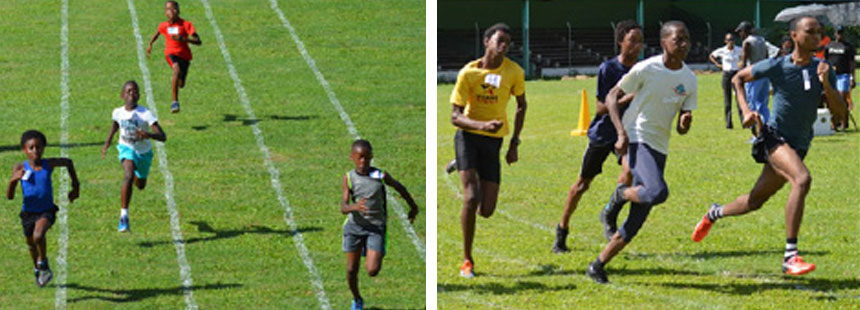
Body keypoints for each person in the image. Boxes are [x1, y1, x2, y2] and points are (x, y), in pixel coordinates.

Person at [691, 16, 846, 276]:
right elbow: (737, 79)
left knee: (755, 201)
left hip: (800, 145)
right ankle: (790, 256)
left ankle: (714, 213)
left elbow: (840, 115)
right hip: (774, 138)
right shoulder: (778, 66)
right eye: (810, 31)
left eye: (819, 32)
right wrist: (746, 110)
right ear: (794, 36)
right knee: (802, 179)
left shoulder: (823, 68)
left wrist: (827, 86)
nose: (816, 36)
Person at [586, 21, 696, 284]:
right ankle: (621, 194)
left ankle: (597, 265)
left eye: (687, 39)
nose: (684, 44)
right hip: (637, 137)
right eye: (678, 39)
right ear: (664, 43)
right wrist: (621, 133)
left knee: (639, 215)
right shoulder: (647, 68)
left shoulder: (690, 78)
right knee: (657, 192)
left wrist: (684, 122)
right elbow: (611, 97)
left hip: (660, 145)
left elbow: (683, 118)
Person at [552, 20, 642, 253]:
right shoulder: (609, 69)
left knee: (629, 172)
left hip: (630, 132)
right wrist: (627, 98)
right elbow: (602, 107)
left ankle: (610, 213)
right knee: (581, 185)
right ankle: (562, 230)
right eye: (633, 40)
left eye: (641, 41)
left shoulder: (642, 69)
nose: (638, 45)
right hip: (604, 133)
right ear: (620, 41)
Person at [450, 22, 527, 278]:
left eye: (507, 42)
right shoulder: (468, 73)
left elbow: (521, 105)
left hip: (494, 142)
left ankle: (461, 165)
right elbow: (455, 116)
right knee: (471, 198)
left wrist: (514, 142)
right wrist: (482, 124)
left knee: (487, 210)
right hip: (469, 137)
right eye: (499, 41)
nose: (503, 46)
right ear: (486, 42)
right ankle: (467, 260)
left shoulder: (514, 72)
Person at [341, 139, 419, 310]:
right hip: (354, 227)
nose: (364, 162)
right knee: (351, 270)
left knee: (372, 270)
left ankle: (371, 247)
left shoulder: (379, 175)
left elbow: (399, 187)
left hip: (375, 228)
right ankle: (357, 299)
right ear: (352, 157)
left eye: (367, 158)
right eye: (360, 158)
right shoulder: (349, 177)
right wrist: (355, 207)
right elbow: (343, 207)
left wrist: (413, 207)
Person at [6, 130, 80, 287]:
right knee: (31, 245)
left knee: (38, 236)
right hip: (28, 213)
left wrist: (76, 186)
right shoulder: (20, 167)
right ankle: (37, 269)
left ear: (44, 148)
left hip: (46, 211)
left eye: (39, 147)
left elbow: (68, 162)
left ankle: (43, 262)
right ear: (24, 150)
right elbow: (10, 197)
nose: (35, 151)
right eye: (31, 148)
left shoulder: (48, 164)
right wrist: (13, 180)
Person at [101, 81, 166, 232]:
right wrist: (107, 143)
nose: (132, 94)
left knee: (140, 184)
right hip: (126, 148)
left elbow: (163, 136)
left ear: (139, 95)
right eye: (129, 91)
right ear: (122, 95)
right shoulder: (117, 112)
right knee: (128, 175)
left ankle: (138, 177)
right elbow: (115, 126)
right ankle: (124, 216)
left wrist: (147, 135)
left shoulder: (145, 114)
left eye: (135, 91)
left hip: (143, 153)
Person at [146, 1, 201, 113]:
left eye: (174, 9)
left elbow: (198, 41)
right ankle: (174, 102)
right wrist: (150, 44)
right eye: (169, 9)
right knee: (176, 70)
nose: (172, 11)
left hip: (185, 56)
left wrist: (185, 39)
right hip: (170, 53)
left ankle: (179, 80)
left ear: (178, 11)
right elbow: (157, 33)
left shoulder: (186, 24)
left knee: (181, 84)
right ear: (165, 12)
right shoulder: (163, 25)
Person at [736, 21, 772, 124]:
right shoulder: (762, 40)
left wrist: (739, 75)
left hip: (753, 74)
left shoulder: (747, 42)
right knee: (763, 103)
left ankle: (757, 132)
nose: (740, 34)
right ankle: (767, 127)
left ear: (745, 31)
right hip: (764, 73)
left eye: (740, 32)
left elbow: (744, 60)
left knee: (752, 103)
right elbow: (767, 57)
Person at [710, 32, 743, 129]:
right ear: (725, 41)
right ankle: (729, 123)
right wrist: (717, 64)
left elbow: (745, 55)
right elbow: (711, 55)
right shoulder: (722, 50)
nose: (731, 42)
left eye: (732, 40)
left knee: (739, 98)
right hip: (726, 74)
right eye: (729, 40)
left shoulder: (738, 50)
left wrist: (742, 64)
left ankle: (743, 121)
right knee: (727, 100)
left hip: (736, 74)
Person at [824, 25, 855, 130]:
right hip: (832, 75)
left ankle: (844, 123)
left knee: (842, 98)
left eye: (841, 32)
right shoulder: (829, 46)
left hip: (844, 75)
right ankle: (834, 123)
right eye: (838, 32)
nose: (839, 35)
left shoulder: (848, 47)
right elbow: (825, 60)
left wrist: (852, 77)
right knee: (831, 100)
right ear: (834, 33)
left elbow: (851, 63)